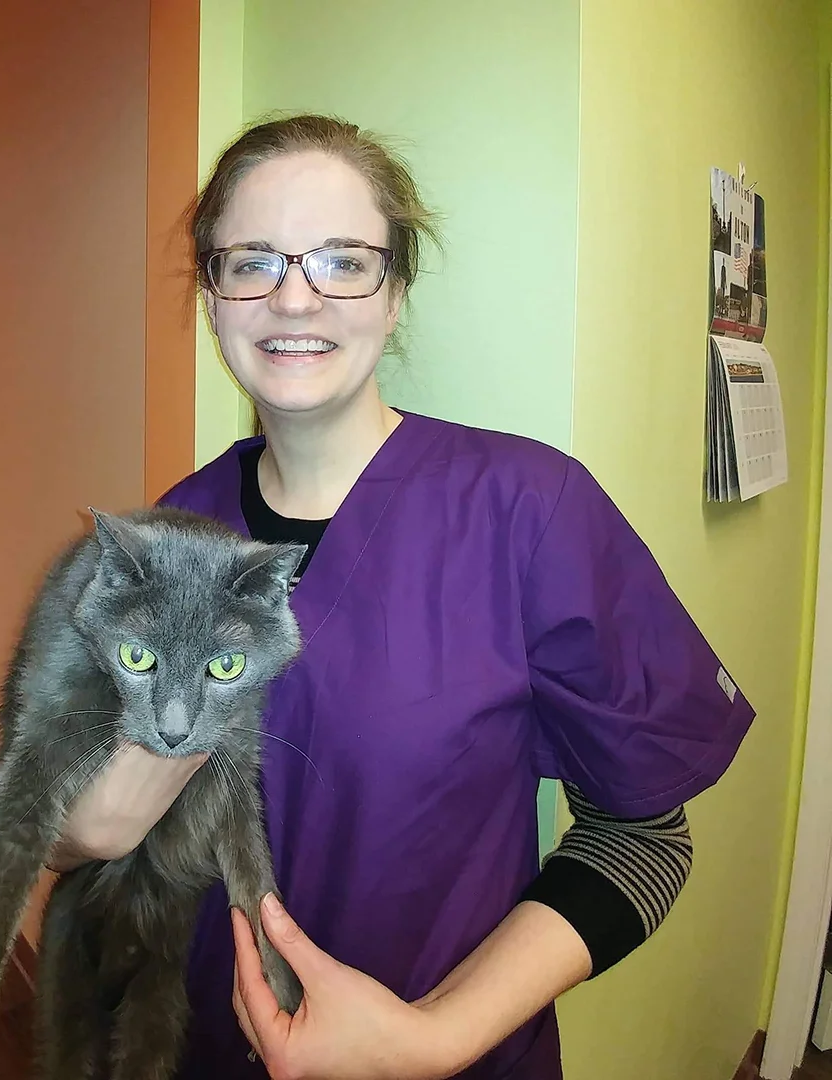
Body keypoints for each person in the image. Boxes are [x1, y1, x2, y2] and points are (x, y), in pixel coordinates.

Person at [51, 115, 755, 1079]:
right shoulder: (177, 527)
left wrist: (432, 1039)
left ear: (395, 293)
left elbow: (641, 835)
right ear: (213, 295)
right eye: (251, 259)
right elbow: (80, 817)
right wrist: (77, 830)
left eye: (343, 260)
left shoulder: (527, 509)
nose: (294, 296)